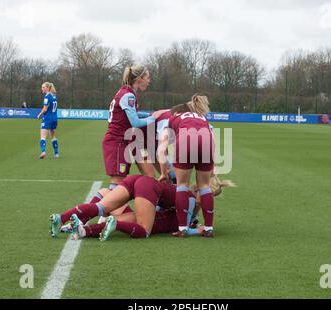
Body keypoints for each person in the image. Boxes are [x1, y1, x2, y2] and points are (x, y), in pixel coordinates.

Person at [49, 173, 234, 240]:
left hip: (137, 179)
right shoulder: (191, 201)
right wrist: (198, 230)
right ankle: (87, 229)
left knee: (101, 205)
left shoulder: (184, 189)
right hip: (148, 188)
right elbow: (181, 228)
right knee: (144, 229)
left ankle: (62, 218)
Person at [159, 95, 216, 238]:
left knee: (182, 185)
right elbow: (212, 139)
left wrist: (163, 172)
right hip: (207, 142)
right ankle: (209, 229)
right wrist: (212, 165)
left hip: (186, 141)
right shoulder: (202, 118)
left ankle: (183, 228)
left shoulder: (173, 118)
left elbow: (162, 147)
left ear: (176, 112)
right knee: (204, 186)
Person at [102, 65, 167, 191]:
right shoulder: (128, 95)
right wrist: (153, 118)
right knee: (117, 181)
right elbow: (135, 123)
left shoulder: (127, 92)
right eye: (147, 77)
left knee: (150, 177)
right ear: (139, 79)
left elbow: (133, 115)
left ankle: (154, 205)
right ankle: (100, 209)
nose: (149, 80)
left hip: (127, 141)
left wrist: (150, 115)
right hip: (118, 142)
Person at [36, 82, 59, 159]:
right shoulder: (54, 96)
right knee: (52, 137)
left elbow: (45, 109)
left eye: (43, 87)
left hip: (47, 119)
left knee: (43, 136)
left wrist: (39, 115)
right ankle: (56, 153)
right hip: (55, 119)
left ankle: (43, 152)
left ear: (47, 88)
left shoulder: (47, 97)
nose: (41, 89)